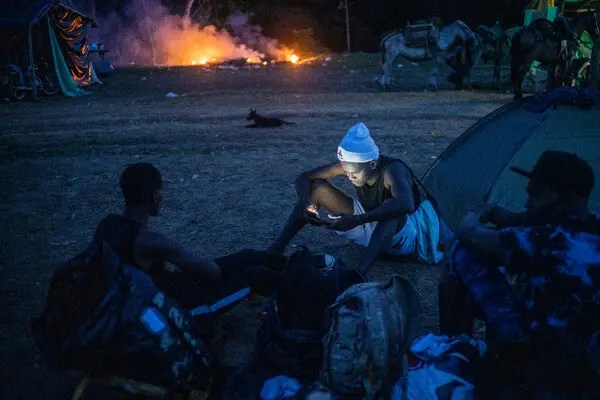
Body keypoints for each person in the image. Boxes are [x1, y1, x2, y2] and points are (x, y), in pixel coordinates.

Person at [438, 150, 600, 395]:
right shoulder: (586, 229)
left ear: (564, 197)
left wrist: (476, 211)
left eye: (534, 195)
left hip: (549, 362)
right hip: (587, 355)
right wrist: (504, 215)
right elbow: (522, 218)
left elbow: (469, 232)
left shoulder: (545, 242)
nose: (527, 203)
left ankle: (451, 355)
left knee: (462, 251)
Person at [267, 122, 445, 274]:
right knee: (317, 188)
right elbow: (305, 177)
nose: (350, 177)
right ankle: (275, 250)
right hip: (368, 222)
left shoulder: (392, 170)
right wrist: (307, 202)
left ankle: (360, 273)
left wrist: (358, 219)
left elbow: (405, 203)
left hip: (403, 236)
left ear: (372, 164)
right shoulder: (352, 167)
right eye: (347, 172)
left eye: (354, 172)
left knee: (392, 206)